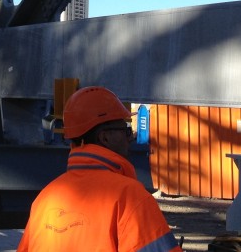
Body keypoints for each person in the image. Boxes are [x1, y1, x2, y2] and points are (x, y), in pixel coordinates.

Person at [17, 86, 182, 252]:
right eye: (125, 130)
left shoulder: (44, 199)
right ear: (104, 137)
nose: (130, 138)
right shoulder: (129, 196)